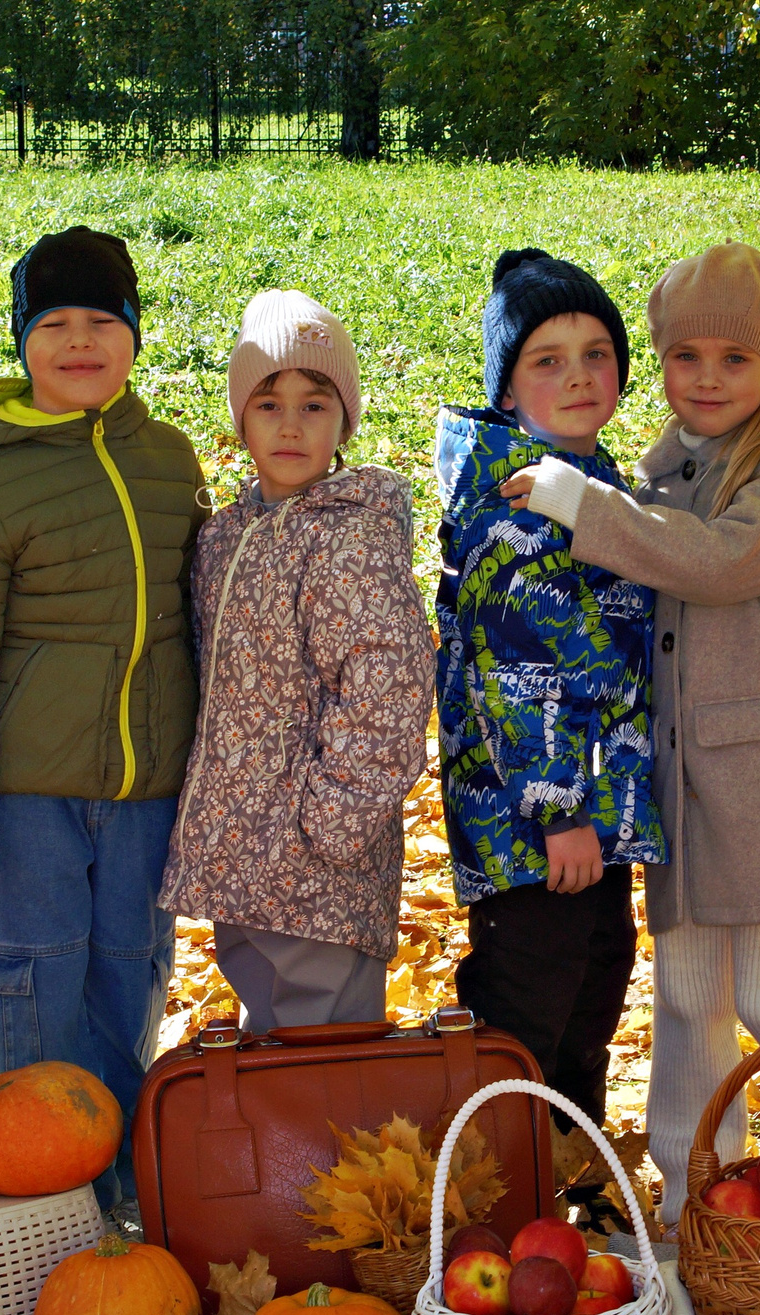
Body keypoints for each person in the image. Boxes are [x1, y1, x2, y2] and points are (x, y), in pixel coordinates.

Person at [501, 241, 760, 1226]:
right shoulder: (664, 468)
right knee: (688, 992)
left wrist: (586, 507)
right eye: (685, 356)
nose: (706, 379)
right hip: (681, 782)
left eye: (733, 359)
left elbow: (711, 563)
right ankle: (690, 1192)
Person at [0, 226, 207, 1208]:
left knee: (130, 980)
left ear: (133, 335)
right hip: (26, 795)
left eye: (101, 321)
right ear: (21, 342)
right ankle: (35, 1199)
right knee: (35, 985)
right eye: (54, 325)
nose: (79, 342)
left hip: (145, 792)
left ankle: (120, 1191)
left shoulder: (168, 463)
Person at [434, 248, 665, 1133]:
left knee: (596, 984)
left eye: (596, 353)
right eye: (547, 359)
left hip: (591, 817)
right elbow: (513, 674)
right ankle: (495, 1184)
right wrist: (558, 806)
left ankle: (573, 1166)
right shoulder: (521, 509)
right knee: (528, 1007)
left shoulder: (593, 485)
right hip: (534, 824)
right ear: (506, 389)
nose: (578, 376)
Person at [160, 291, 433, 1035]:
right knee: (274, 1052)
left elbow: (391, 682)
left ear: (345, 420)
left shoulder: (348, 539)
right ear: (240, 417)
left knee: (328, 1063)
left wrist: (334, 819)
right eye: (268, 403)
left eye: (315, 405)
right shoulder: (226, 537)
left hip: (320, 871)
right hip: (245, 870)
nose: (290, 424)